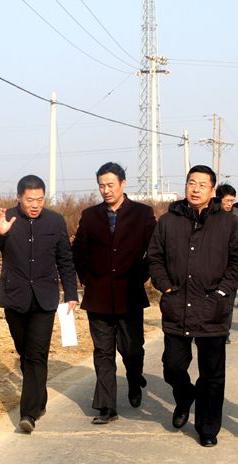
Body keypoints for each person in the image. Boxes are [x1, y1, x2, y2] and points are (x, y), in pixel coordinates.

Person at [148, 165, 238, 447]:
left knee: (212, 375)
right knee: (173, 366)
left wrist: (223, 290)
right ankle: (184, 397)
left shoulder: (228, 222)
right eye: (191, 183)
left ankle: (207, 428)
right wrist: (165, 285)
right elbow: (154, 257)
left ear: (212, 190)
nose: (195, 189)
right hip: (177, 306)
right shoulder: (168, 221)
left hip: (212, 308)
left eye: (202, 185)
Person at [0, 175, 78, 434]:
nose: (35, 205)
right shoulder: (6, 218)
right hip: (15, 298)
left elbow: (65, 260)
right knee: (25, 353)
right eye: (30, 200)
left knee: (36, 354)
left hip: (45, 299)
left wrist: (71, 294)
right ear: (19, 198)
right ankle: (39, 397)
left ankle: (28, 414)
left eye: (40, 199)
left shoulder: (55, 221)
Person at [72, 162, 156, 425]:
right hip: (98, 295)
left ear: (123, 183)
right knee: (103, 352)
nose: (106, 190)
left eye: (110, 185)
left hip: (130, 294)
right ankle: (107, 407)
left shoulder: (142, 214)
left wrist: (140, 276)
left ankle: (134, 378)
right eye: (101, 186)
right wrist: (87, 278)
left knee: (132, 349)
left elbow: (154, 251)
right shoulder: (90, 215)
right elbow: (79, 252)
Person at [215, 183, 238, 344]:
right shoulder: (210, 214)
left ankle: (224, 333)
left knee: (228, 303)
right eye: (226, 201)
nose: (229, 204)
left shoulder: (237, 215)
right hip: (213, 266)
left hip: (230, 267)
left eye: (232, 201)